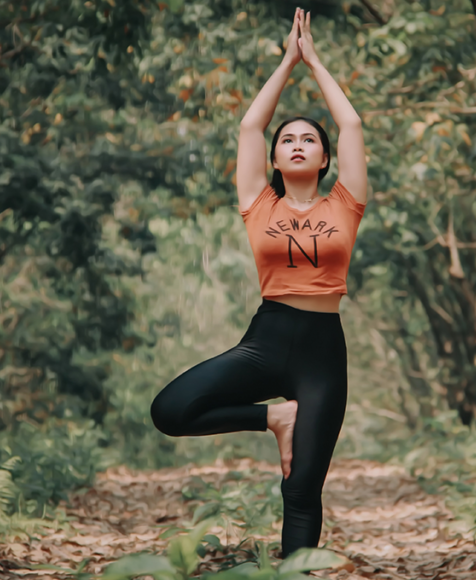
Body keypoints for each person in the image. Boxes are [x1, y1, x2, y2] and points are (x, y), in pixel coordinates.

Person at [150, 7, 368, 559]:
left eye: (308, 140)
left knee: (301, 489)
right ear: (273, 158)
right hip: (267, 340)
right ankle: (276, 418)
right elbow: (249, 125)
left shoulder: (345, 205)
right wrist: (287, 60)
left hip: (323, 351)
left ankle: (293, 575)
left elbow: (352, 126)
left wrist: (315, 62)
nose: (297, 143)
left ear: (323, 160)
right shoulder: (258, 204)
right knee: (170, 411)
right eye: (287, 139)